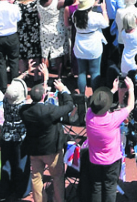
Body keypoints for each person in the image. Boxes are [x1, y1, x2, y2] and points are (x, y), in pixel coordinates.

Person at [21, 72, 77, 202]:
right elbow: (69, 106)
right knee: (57, 177)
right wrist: (63, 90)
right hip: (52, 151)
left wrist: (44, 82)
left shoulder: (24, 111)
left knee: (36, 177)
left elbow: (31, 103)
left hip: (34, 150)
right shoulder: (50, 111)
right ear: (43, 96)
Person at [85, 79, 134, 202]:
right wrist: (131, 89)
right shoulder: (113, 118)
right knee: (110, 188)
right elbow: (130, 106)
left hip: (94, 160)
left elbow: (97, 104)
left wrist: (112, 90)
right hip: (111, 161)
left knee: (96, 187)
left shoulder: (89, 115)